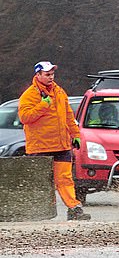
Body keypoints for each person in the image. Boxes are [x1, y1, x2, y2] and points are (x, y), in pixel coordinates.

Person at [18, 61, 91, 220]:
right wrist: (43, 106)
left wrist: (75, 134)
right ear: (38, 75)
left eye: (52, 74)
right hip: (39, 147)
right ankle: (40, 212)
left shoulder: (59, 92)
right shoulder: (29, 95)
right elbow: (25, 118)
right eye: (47, 74)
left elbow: (69, 116)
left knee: (65, 179)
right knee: (42, 182)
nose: (51, 77)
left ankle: (74, 209)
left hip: (61, 145)